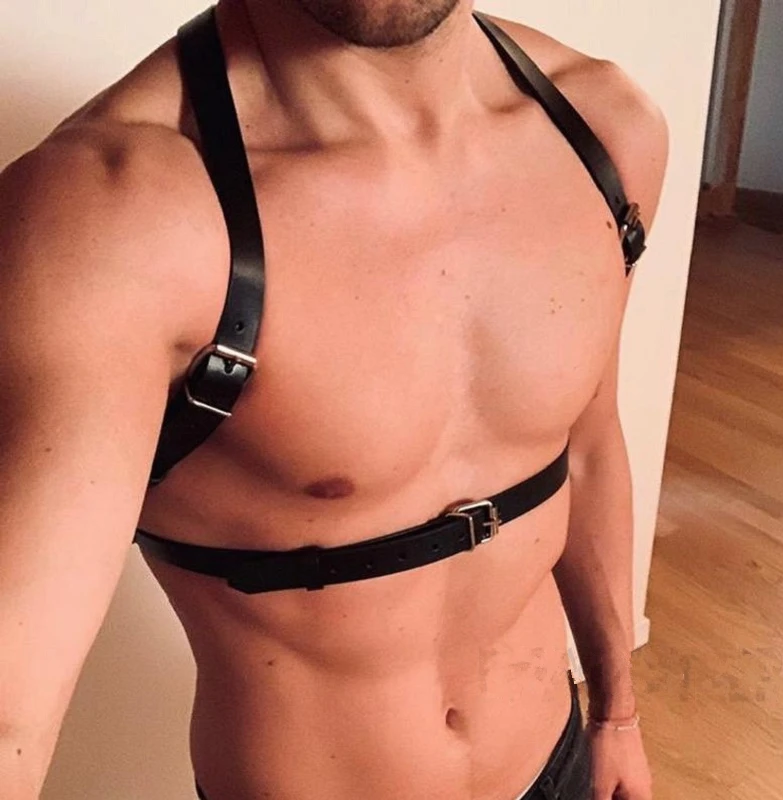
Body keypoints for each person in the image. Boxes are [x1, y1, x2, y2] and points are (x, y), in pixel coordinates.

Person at [0, 0, 668, 798]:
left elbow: (588, 447)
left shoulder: (600, 130)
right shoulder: (108, 217)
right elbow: (12, 709)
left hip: (554, 765)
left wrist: (616, 714)